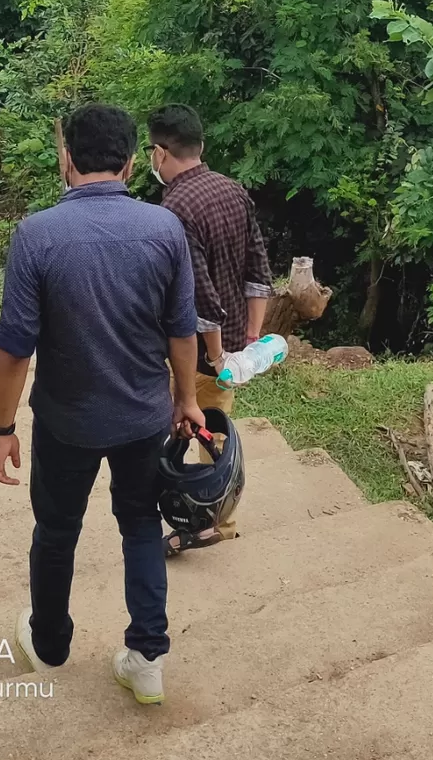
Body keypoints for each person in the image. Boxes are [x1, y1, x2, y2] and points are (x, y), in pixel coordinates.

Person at [0, 103, 203, 707]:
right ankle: (147, 658)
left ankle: (49, 645)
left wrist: (2, 426)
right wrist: (185, 399)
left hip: (65, 423)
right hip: (142, 418)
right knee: (140, 525)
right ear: (133, 162)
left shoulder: (37, 235)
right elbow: (181, 331)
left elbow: (13, 351)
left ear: (66, 159)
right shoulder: (164, 230)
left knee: (56, 531)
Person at [148, 103, 273, 554]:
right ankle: (220, 518)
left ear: (160, 153)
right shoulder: (233, 190)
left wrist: (216, 355)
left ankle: (180, 517)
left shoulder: (174, 207)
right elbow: (258, 270)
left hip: (192, 353)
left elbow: (201, 301)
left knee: (173, 428)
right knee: (214, 428)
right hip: (234, 349)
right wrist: (252, 338)